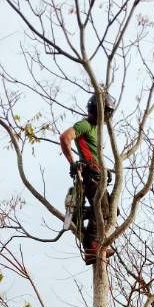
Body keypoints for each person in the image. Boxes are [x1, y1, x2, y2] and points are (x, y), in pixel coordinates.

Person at [59, 91, 116, 265]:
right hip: (90, 173)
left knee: (113, 211)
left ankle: (81, 217)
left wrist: (106, 171)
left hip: (99, 174)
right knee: (103, 210)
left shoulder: (96, 129)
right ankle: (92, 247)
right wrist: (73, 163)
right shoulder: (85, 124)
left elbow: (94, 153)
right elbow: (64, 137)